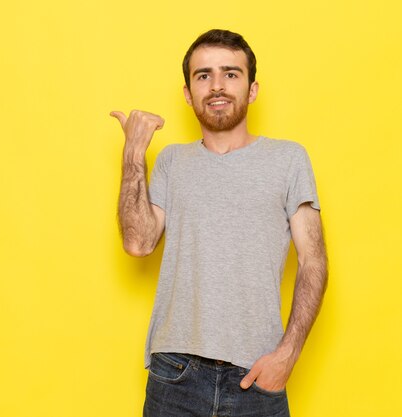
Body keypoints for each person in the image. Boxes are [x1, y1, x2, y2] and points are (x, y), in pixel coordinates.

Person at [110, 29, 328, 417]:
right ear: (188, 92)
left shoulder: (289, 159)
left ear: (252, 88)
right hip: (175, 372)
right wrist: (133, 154)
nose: (216, 86)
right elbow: (138, 243)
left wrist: (287, 355)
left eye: (231, 74)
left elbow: (313, 261)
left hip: (257, 373)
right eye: (203, 75)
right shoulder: (172, 162)